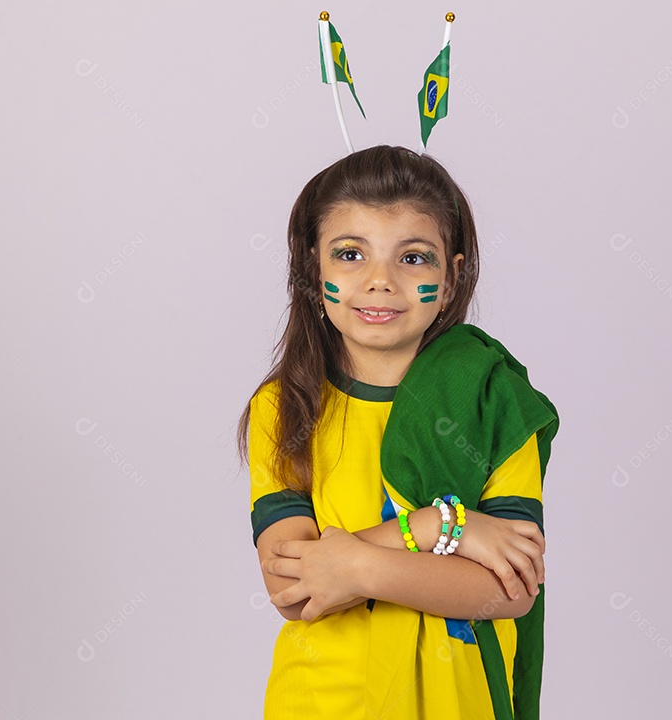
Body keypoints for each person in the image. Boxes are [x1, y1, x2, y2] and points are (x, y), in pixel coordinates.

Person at [237, 144, 559, 720]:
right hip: (324, 702)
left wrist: (354, 566)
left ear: (453, 275)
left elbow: (508, 592)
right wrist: (440, 526)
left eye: (413, 259)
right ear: (315, 269)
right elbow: (298, 587)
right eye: (350, 254)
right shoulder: (284, 408)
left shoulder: (491, 398)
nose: (380, 281)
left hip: (459, 704)